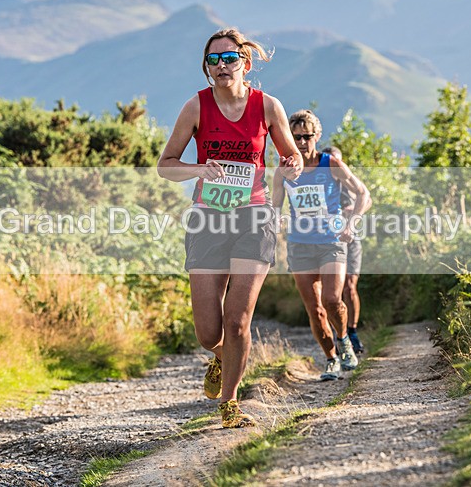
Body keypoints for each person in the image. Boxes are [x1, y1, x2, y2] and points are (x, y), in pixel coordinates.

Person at [157, 28, 302, 428]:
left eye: (229, 58)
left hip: (254, 216)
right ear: (207, 67)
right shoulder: (196, 107)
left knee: (237, 321)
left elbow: (292, 157)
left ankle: (230, 404)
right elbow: (165, 165)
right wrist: (198, 169)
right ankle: (223, 356)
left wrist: (292, 165)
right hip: (208, 218)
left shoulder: (267, 106)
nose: (222, 65)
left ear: (245, 64)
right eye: (214, 60)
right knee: (209, 332)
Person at [273, 111, 371, 381]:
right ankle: (330, 360)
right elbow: (275, 206)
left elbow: (363, 193)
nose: (302, 143)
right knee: (315, 310)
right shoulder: (283, 171)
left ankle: (344, 339)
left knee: (331, 300)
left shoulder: (331, 163)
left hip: (331, 241)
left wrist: (351, 224)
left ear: (317, 136)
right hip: (300, 245)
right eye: (296, 137)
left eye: (307, 137)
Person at [322, 146, 365, 354]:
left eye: (338, 161)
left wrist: (353, 214)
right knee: (332, 293)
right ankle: (338, 333)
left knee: (349, 286)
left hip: (351, 238)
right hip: (327, 240)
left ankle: (352, 331)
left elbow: (366, 198)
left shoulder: (348, 180)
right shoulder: (320, 182)